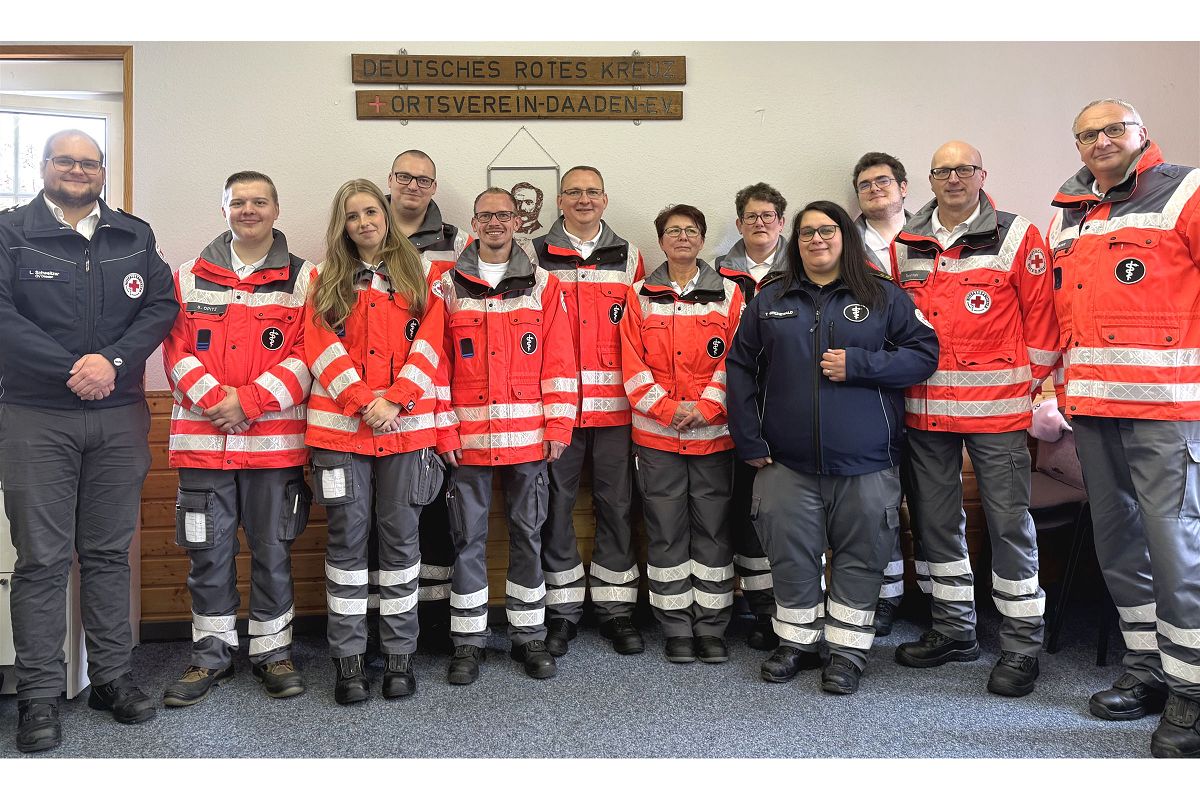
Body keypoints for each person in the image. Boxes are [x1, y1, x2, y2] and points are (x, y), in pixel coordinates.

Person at [0, 129, 177, 752]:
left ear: (103, 171)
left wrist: (115, 363)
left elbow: (161, 305)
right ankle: (40, 695)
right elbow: (1, 315)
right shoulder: (10, 231)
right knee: (43, 560)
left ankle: (111, 678)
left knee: (107, 554)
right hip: (33, 415)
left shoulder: (134, 234)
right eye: (65, 160)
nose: (78, 169)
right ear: (42, 167)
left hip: (119, 413)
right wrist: (72, 369)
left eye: (89, 162)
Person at [727, 200, 938, 693]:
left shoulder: (883, 295)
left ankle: (847, 651)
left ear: (844, 236)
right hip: (785, 462)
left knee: (861, 557)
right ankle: (797, 642)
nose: (816, 240)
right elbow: (739, 366)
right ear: (794, 243)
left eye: (826, 231)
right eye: (806, 233)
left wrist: (861, 365)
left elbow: (924, 354)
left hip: (866, 463)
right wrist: (748, 437)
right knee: (791, 555)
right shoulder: (770, 298)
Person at [1048, 97, 1200, 758]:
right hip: (1094, 413)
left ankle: (1193, 693)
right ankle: (1148, 673)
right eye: (1088, 134)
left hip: (1169, 412)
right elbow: (1062, 317)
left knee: (1178, 552)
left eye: (1114, 128)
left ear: (1142, 133)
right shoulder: (1069, 214)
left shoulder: (1185, 190)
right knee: (1122, 550)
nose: (1101, 140)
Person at [890, 141, 1060, 698]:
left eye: (964, 169)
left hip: (997, 412)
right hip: (926, 411)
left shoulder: (1018, 234)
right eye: (943, 170)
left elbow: (1042, 321)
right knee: (937, 524)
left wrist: (1022, 385)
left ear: (982, 174)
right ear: (931, 179)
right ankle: (954, 630)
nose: (954, 178)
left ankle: (1020, 644)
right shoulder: (905, 242)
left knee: (1010, 525)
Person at [161, 171, 313, 707]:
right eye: (238, 202)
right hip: (204, 446)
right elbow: (175, 353)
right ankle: (210, 654)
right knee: (208, 551)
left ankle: (273, 652)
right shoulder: (187, 277)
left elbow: (307, 355)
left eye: (259, 201)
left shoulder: (304, 279)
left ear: (276, 209)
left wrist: (246, 403)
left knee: (273, 550)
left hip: (273, 447)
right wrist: (216, 403)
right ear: (223, 209)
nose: (248, 210)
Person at [304, 179, 447, 704]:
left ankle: (399, 657)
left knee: (402, 543)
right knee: (345, 543)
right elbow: (319, 347)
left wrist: (399, 398)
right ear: (340, 225)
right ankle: (348, 660)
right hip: (342, 433)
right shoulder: (323, 280)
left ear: (385, 215)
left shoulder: (425, 276)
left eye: (370, 211)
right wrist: (366, 401)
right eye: (351, 216)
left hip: (406, 432)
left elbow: (432, 346)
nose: (363, 222)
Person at [436, 187, 577, 684]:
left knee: (527, 536)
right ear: (473, 223)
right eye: (486, 215)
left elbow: (561, 363)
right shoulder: (447, 285)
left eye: (504, 215)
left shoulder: (543, 284)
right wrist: (444, 430)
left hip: (529, 440)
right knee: (467, 539)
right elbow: (436, 364)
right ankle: (468, 642)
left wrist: (560, 425)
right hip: (467, 442)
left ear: (518, 222)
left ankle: (529, 636)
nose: (496, 222)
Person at [619, 204, 742, 665]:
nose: (683, 238)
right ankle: (675, 626)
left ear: (703, 238)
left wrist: (707, 407)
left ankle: (711, 627)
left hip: (713, 436)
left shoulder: (729, 295)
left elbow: (736, 360)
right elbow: (629, 364)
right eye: (674, 231)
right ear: (661, 240)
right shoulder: (639, 296)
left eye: (691, 231)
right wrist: (670, 411)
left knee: (712, 531)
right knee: (666, 531)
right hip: (657, 439)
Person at [532, 166, 646, 657]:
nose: (583, 199)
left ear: (605, 198)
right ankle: (562, 612)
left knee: (617, 506)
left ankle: (617, 611)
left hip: (618, 410)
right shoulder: (532, 254)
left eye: (592, 191)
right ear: (559, 200)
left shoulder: (632, 256)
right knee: (555, 507)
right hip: (556, 410)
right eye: (574, 192)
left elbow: (643, 332)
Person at [385, 149, 471, 650]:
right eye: (404, 177)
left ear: (434, 187)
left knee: (439, 511)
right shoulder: (365, 234)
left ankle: (435, 622)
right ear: (390, 180)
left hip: (444, 396)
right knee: (387, 518)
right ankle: (386, 624)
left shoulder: (460, 244)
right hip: (380, 403)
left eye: (423, 180)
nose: (413, 187)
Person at [713, 182, 790, 651]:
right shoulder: (718, 273)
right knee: (742, 512)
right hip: (733, 407)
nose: (759, 223)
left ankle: (790, 607)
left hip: (789, 407)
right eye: (751, 216)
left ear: (781, 221)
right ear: (739, 223)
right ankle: (760, 609)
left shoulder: (802, 269)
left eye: (768, 215)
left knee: (786, 513)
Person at [851, 152, 915, 636]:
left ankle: (940, 602)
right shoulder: (843, 244)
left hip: (935, 389)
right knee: (880, 505)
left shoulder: (931, 239)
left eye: (883, 181)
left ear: (904, 187)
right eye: (865, 184)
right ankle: (887, 595)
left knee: (938, 506)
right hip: (870, 392)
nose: (874, 189)